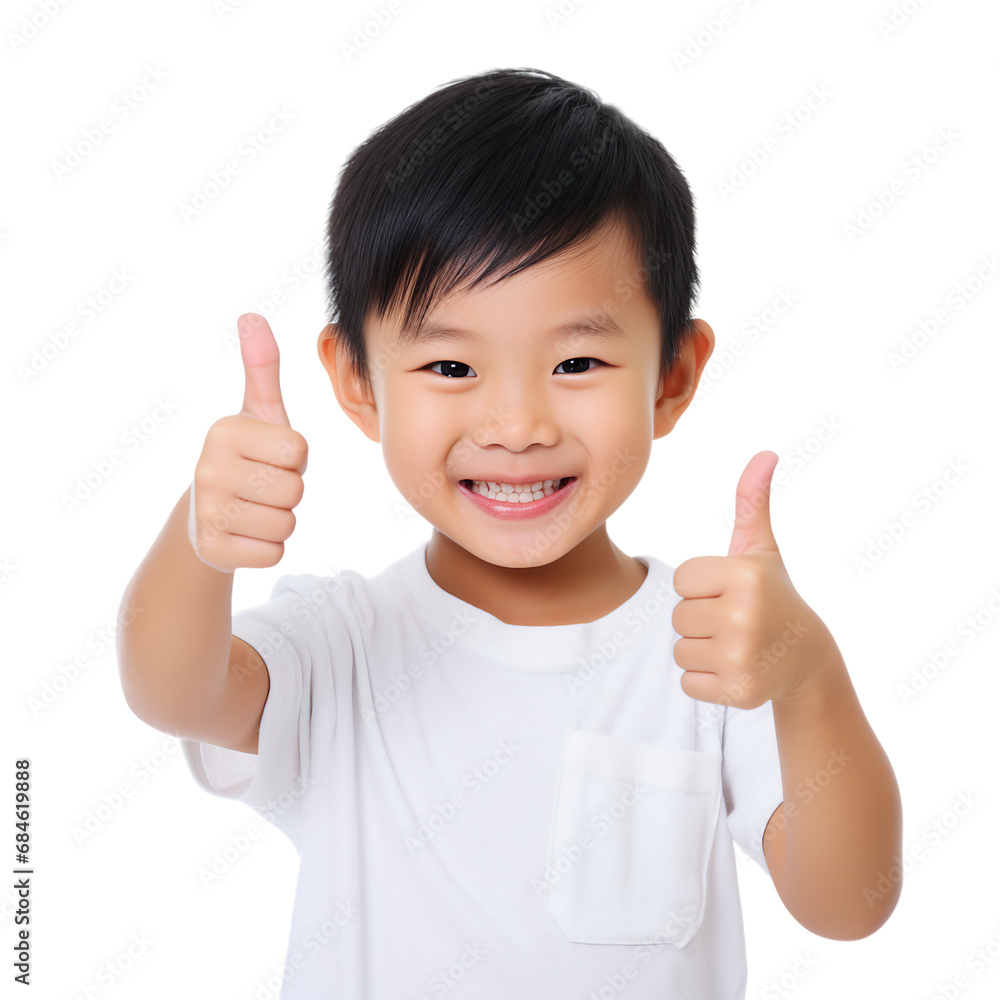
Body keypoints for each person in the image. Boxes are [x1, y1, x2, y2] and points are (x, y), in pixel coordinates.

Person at [116, 67, 902, 999]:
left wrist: (810, 676)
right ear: (360, 384)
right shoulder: (343, 645)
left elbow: (850, 905)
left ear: (673, 376)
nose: (516, 424)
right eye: (452, 364)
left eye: (577, 360)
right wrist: (200, 538)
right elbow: (174, 690)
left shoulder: (711, 657)